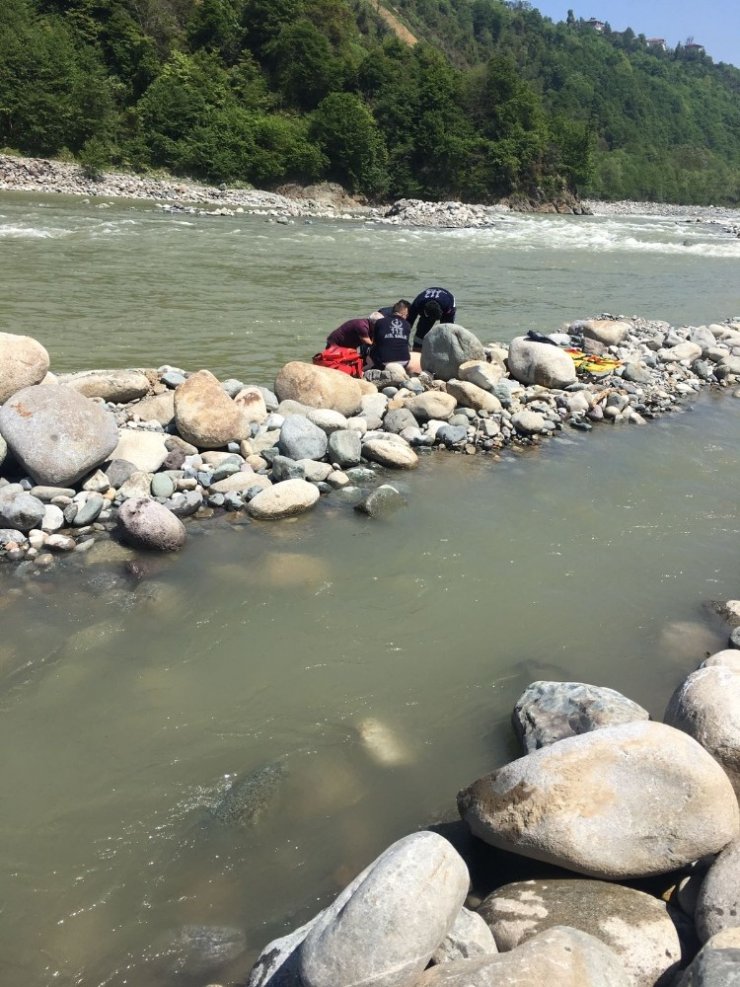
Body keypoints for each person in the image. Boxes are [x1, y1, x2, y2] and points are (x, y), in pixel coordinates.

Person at [367, 301, 412, 370]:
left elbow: (375, 342)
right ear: (404, 312)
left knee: (372, 349)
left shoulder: (380, 322)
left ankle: (374, 368)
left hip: (383, 363)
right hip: (404, 362)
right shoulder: (407, 324)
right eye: (407, 315)